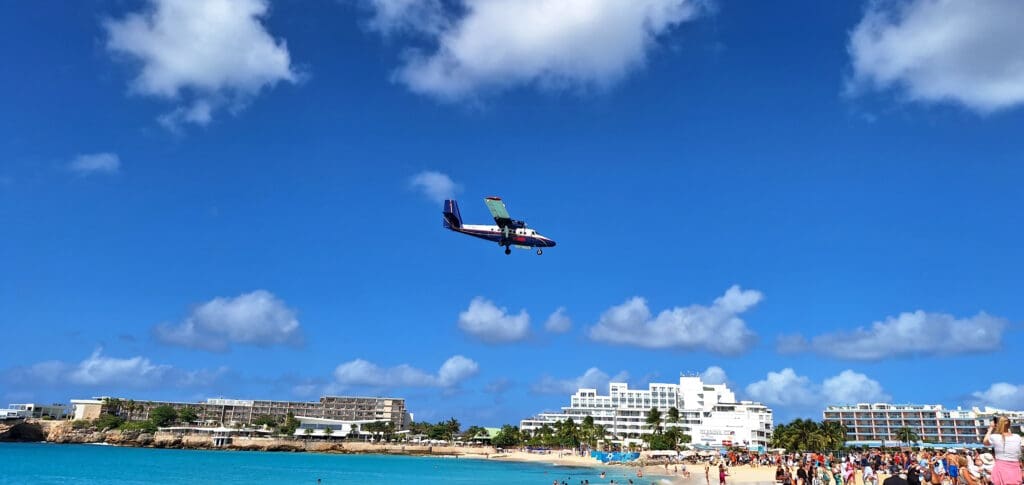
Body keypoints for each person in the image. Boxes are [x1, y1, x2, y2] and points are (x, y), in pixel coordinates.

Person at [983, 417, 1022, 485]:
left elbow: (985, 442)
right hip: (1015, 469)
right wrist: (1005, 426)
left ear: (997, 425)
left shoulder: (994, 437)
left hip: (1001, 469)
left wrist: (991, 428)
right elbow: (1009, 435)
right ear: (1009, 425)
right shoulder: (1017, 437)